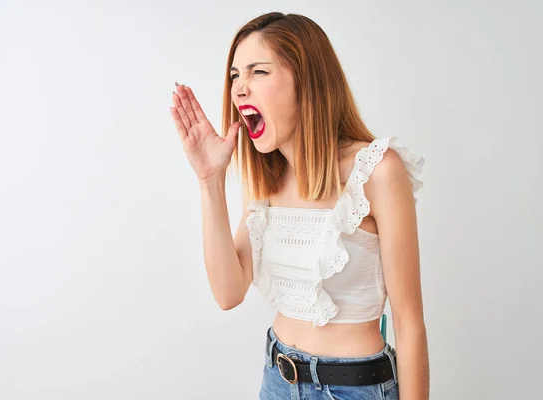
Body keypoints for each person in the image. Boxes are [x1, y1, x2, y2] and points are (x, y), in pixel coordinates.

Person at [169, 12, 429, 400]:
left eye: (258, 71)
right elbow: (227, 293)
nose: (239, 89)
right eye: (235, 75)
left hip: (354, 389)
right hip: (277, 380)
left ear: (305, 80)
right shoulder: (266, 181)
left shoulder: (376, 171)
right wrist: (210, 180)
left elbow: (409, 323)